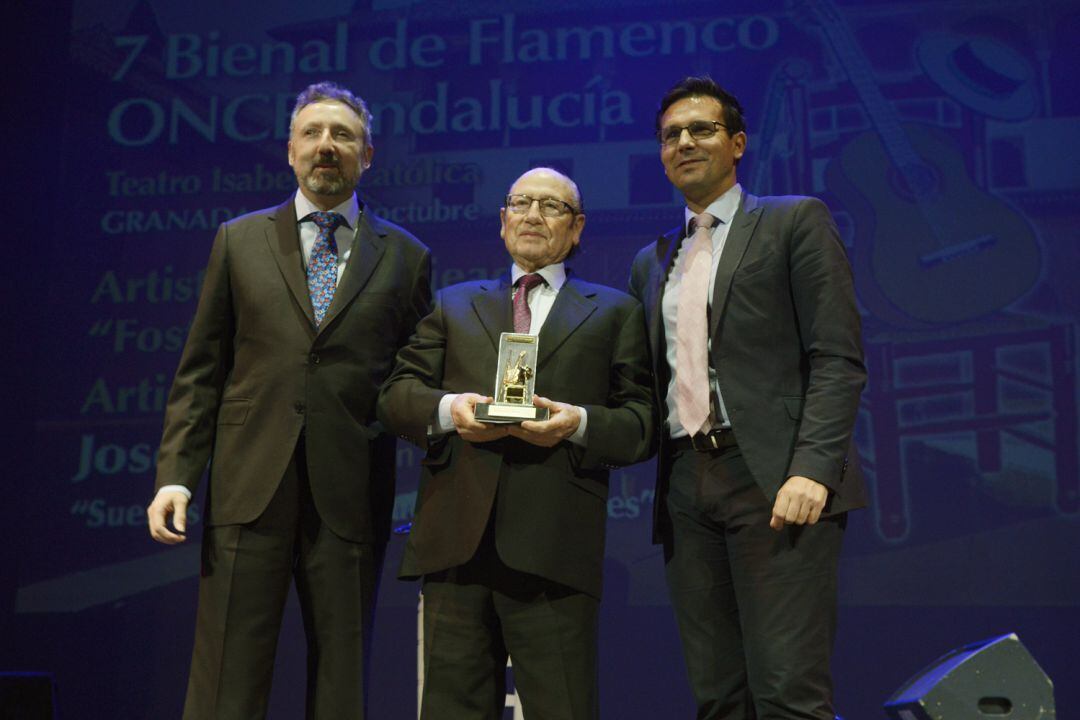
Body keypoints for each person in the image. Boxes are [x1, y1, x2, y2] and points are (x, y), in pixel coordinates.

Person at [146, 81, 432, 719]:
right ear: (290, 150)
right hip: (249, 485)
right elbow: (201, 371)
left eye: (343, 136)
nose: (326, 147)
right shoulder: (237, 241)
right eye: (313, 134)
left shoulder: (408, 257)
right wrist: (176, 477)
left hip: (351, 490)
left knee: (340, 683)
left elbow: (413, 379)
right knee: (226, 676)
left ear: (368, 154)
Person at [628, 76, 867, 719]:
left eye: (700, 129)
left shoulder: (794, 220)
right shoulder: (652, 262)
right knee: (718, 696)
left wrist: (812, 469)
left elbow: (837, 358)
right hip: (685, 484)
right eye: (671, 135)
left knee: (788, 692)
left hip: (774, 477)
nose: (684, 142)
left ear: (737, 144)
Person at [378, 167, 654, 719]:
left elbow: (641, 423)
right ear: (503, 221)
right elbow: (396, 396)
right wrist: (451, 411)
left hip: (554, 551)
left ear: (576, 229)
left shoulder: (615, 311)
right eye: (521, 203)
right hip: (457, 547)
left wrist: (576, 422)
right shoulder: (454, 304)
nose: (532, 215)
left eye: (551, 207)